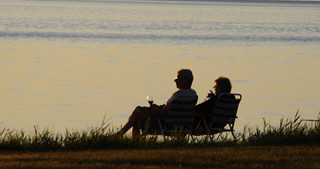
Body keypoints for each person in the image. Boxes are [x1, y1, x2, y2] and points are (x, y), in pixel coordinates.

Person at [117, 69, 198, 137]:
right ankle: (122, 135)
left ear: (186, 80)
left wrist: (150, 110)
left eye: (178, 78)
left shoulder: (178, 95)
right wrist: (158, 108)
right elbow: (171, 110)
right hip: (184, 127)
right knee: (139, 113)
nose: (175, 80)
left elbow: (165, 113)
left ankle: (122, 135)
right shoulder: (193, 95)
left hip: (166, 126)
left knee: (138, 114)